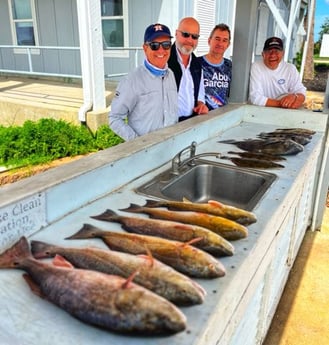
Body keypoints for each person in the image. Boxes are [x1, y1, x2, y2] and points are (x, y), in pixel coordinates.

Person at [109, 23, 178, 141]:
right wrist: (138, 143)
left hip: (171, 146)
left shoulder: (170, 74)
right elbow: (115, 119)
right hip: (146, 153)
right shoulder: (131, 81)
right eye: (154, 45)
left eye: (166, 45)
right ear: (145, 48)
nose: (161, 50)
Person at [168, 17, 208, 121]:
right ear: (176, 34)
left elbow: (200, 94)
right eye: (185, 34)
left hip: (191, 123)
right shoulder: (165, 60)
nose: (190, 40)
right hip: (169, 125)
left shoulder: (197, 64)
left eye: (194, 36)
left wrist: (201, 104)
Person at [249, 36, 306, 109]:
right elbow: (255, 97)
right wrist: (282, 103)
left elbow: (301, 91)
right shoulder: (256, 67)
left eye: (276, 51)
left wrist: (295, 97)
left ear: (283, 54)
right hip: (261, 110)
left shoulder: (290, 68)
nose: (273, 55)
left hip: (284, 110)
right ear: (263, 54)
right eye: (269, 51)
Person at [198, 23, 232, 110]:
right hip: (200, 117)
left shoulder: (230, 66)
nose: (220, 43)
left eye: (224, 40)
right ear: (209, 41)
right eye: (217, 39)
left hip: (223, 118)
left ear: (228, 45)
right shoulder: (196, 63)